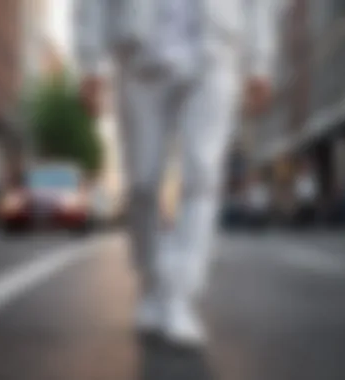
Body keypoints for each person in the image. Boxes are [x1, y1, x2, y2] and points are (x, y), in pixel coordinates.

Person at [74, 0, 279, 348]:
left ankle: (181, 295)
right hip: (141, 52)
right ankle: (152, 283)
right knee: (142, 182)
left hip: (214, 51)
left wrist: (260, 63)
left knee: (202, 174)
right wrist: (90, 63)